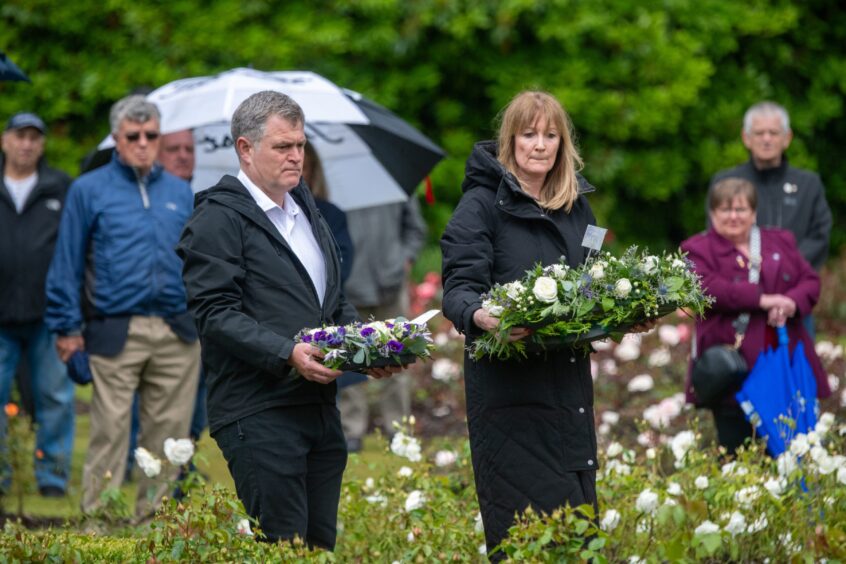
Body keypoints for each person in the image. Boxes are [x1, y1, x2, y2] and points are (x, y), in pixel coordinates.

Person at [176, 90, 398, 549]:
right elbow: (214, 313)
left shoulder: (306, 209)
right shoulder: (217, 218)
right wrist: (286, 353)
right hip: (257, 408)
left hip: (317, 408)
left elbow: (330, 304)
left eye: (299, 145)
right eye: (283, 147)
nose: (296, 156)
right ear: (245, 148)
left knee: (318, 546)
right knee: (283, 546)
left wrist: (366, 349)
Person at [441, 91, 601, 557]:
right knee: (528, 538)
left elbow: (592, 282)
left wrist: (622, 314)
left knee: (578, 534)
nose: (540, 145)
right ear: (509, 140)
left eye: (551, 135)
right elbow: (458, 289)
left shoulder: (575, 207)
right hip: (513, 400)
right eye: (529, 134)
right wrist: (481, 317)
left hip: (568, 391)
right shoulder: (480, 207)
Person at [45, 95, 200, 519]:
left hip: (176, 332)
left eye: (152, 135)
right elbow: (67, 263)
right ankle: (100, 526)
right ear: (117, 139)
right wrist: (67, 329)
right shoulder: (89, 190)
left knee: (168, 440)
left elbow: (197, 264)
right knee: (109, 434)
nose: (144, 143)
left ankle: (156, 527)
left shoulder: (180, 191)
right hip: (115, 329)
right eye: (134, 136)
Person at [682, 177, 831, 453]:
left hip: (783, 364)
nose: (733, 216)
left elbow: (810, 281)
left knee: (793, 450)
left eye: (741, 209)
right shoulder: (697, 249)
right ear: (713, 213)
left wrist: (789, 302)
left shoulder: (780, 241)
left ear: (754, 212)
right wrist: (761, 299)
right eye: (725, 210)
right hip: (735, 373)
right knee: (738, 453)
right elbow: (704, 287)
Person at [710, 102, 832, 339]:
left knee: (795, 372)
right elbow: (716, 239)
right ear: (746, 138)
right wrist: (752, 289)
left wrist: (782, 278)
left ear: (787, 138)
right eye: (759, 133)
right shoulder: (725, 183)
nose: (766, 139)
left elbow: (819, 237)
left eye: (773, 133)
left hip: (791, 303)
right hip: (739, 304)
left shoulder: (808, 184)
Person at [0, 112, 74, 498]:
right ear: (5, 141)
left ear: (42, 145)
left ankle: (53, 476)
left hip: (49, 313)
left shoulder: (59, 186)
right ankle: (1, 475)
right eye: (19, 136)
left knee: (55, 396)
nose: (26, 144)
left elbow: (73, 248)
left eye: (34, 137)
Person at [339, 186, 426, 452]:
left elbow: (415, 229)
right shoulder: (335, 183)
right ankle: (350, 430)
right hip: (349, 285)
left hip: (390, 283)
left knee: (398, 357)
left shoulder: (394, 182)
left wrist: (404, 261)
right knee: (349, 358)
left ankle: (397, 429)